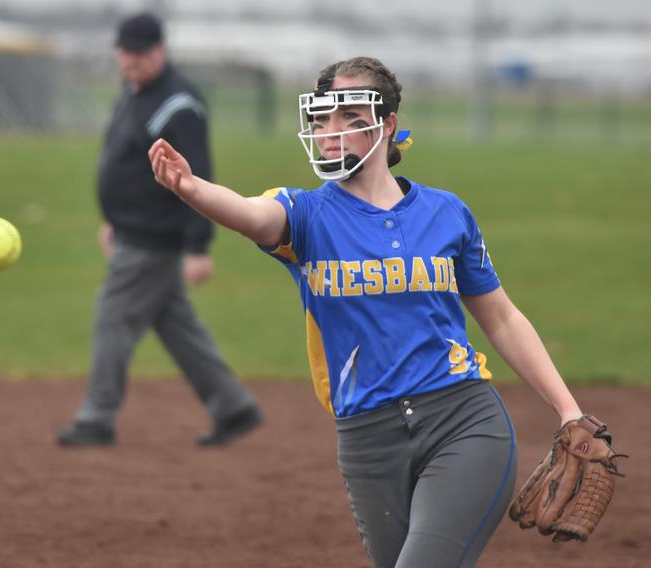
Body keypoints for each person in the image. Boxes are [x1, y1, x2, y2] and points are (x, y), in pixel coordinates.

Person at [149, 56, 590, 567]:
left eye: (347, 118)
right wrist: (190, 187)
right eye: (320, 120)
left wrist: (568, 410)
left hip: (463, 421)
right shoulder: (306, 214)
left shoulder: (447, 213)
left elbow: (502, 318)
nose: (330, 132)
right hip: (366, 440)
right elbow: (250, 214)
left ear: (387, 125)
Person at [57, 12, 263, 448]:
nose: (129, 61)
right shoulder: (134, 93)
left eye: (139, 54)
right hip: (133, 230)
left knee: (112, 317)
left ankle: (96, 417)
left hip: (154, 236)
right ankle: (233, 406)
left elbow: (197, 175)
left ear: (160, 52)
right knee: (176, 325)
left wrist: (199, 247)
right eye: (124, 53)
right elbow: (126, 164)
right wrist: (115, 219)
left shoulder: (178, 104)